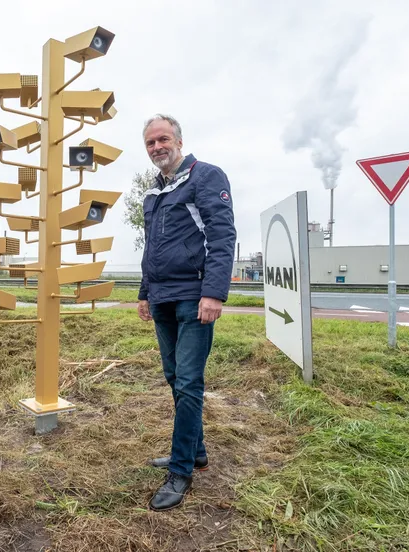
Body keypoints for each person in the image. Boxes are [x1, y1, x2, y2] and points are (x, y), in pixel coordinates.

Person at [137, 114, 236, 511]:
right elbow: (150, 249)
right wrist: (144, 293)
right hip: (161, 298)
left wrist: (214, 293)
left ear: (179, 140)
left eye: (163, 139)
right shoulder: (153, 194)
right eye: (150, 143)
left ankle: (180, 471)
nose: (157, 147)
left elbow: (222, 236)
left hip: (194, 298)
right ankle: (195, 452)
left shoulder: (206, 177)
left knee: (189, 382)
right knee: (175, 377)